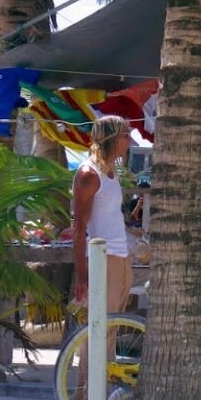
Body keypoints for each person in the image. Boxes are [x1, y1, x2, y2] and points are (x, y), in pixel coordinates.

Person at [72, 115, 134, 313]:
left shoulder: (111, 171)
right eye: (126, 135)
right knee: (98, 328)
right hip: (102, 259)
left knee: (112, 327)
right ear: (112, 139)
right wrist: (82, 275)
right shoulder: (89, 175)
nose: (130, 141)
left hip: (121, 256)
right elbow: (79, 230)